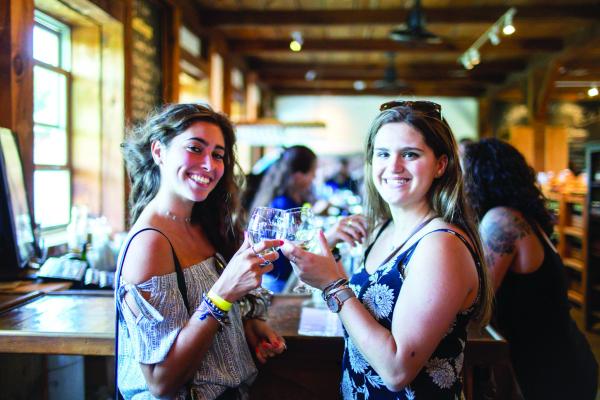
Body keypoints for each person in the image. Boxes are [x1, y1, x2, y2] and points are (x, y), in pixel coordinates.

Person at [281, 100, 493, 399]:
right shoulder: (383, 228)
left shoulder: (441, 245)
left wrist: (333, 284)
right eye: (382, 154)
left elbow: (397, 371)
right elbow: (346, 306)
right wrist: (327, 244)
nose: (393, 167)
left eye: (410, 154)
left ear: (440, 165)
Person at [116, 103, 286, 400]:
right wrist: (223, 294)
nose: (209, 165)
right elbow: (161, 381)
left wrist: (248, 322)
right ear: (159, 152)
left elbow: (208, 315)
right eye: (195, 149)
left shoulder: (202, 224)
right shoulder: (150, 242)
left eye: (218, 155)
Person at [462, 138, 598, 400]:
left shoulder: (502, 221)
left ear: (482, 176)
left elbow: (475, 298)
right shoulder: (518, 216)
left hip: (553, 372)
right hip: (562, 359)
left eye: (464, 172)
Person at [249, 145, 367, 293]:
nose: (314, 178)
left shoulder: (292, 200)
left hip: (285, 277)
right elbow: (293, 252)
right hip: (278, 282)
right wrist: (328, 237)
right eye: (312, 173)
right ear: (298, 176)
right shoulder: (283, 205)